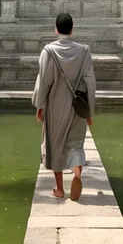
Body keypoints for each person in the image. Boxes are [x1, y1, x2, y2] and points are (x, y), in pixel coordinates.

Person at [32, 12, 96, 201]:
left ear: (56, 30)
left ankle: (59, 189)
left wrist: (39, 104)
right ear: (72, 30)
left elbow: (43, 82)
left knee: (56, 146)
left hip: (55, 107)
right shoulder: (84, 51)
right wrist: (89, 110)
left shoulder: (48, 51)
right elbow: (90, 82)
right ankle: (77, 173)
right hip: (78, 107)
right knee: (76, 144)